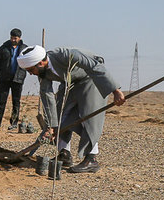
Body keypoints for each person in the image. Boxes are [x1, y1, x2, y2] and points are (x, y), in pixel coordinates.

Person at [17, 45, 125, 173]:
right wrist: (51, 126)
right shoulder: (43, 72)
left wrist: (115, 90)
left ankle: (91, 159)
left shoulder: (66, 55)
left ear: (40, 63)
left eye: (30, 69)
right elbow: (47, 95)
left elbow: (94, 67)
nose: (30, 73)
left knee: (89, 117)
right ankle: (64, 154)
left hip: (90, 79)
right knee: (60, 113)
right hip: (70, 83)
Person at [0, 28, 27, 130]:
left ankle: (14, 123)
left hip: (17, 79)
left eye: (15, 38)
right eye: (12, 38)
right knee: (1, 101)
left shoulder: (24, 49)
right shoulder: (3, 48)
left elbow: (30, 62)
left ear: (19, 38)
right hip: (4, 78)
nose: (13, 40)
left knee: (16, 102)